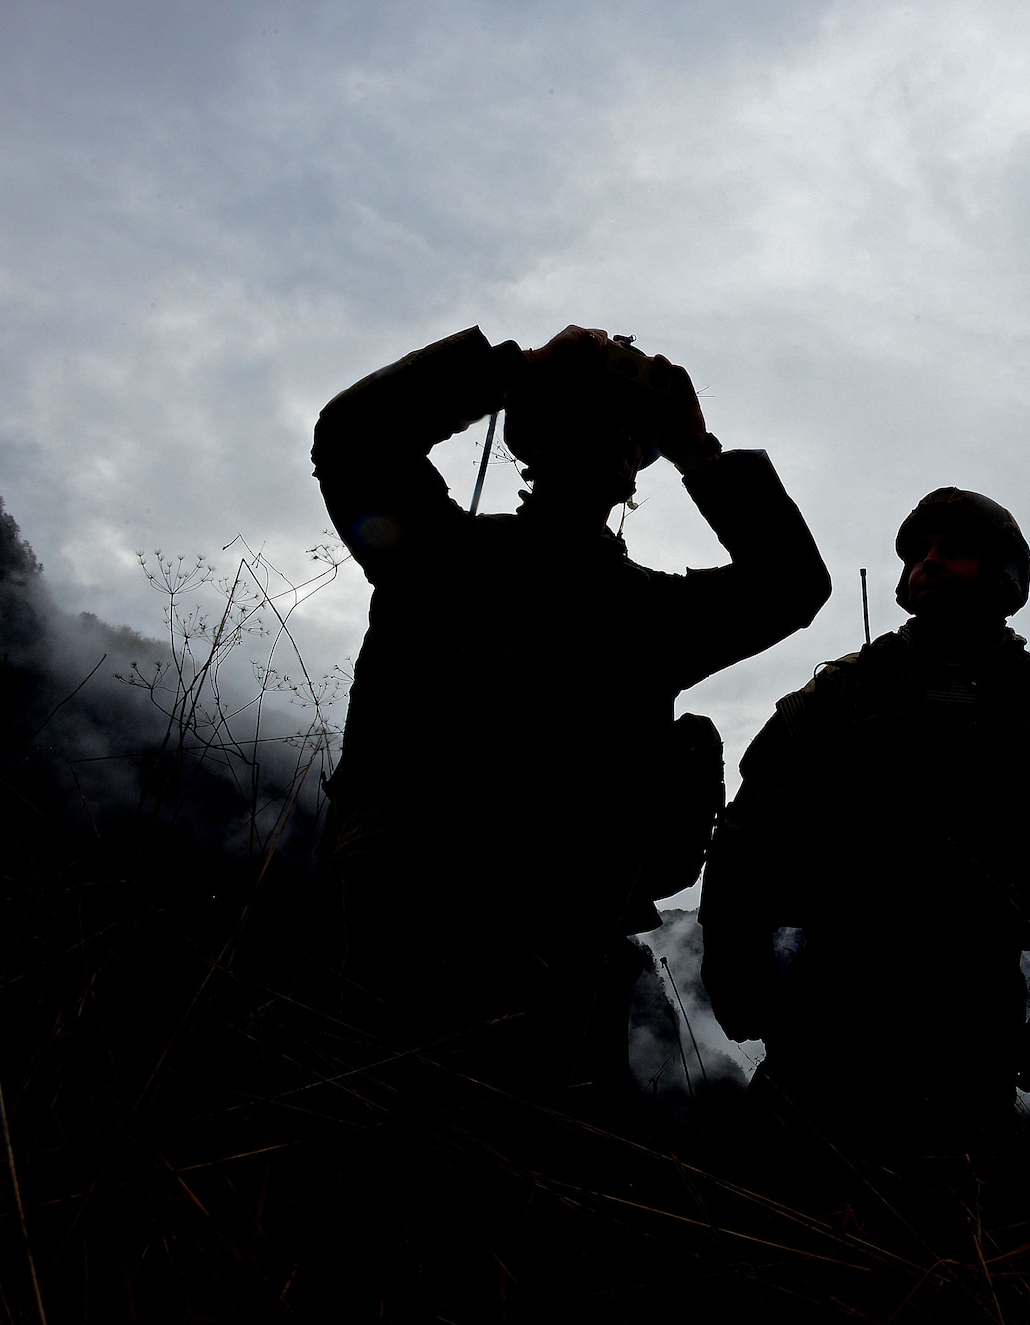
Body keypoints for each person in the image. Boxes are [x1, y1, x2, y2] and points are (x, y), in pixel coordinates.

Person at [279, 324, 829, 1313]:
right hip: (482, 946)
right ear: (633, 471)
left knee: (398, 1203)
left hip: (464, 942)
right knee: (496, 1213)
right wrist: (690, 447)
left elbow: (354, 437)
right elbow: (788, 586)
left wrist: (501, 373)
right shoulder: (625, 611)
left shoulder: (427, 555)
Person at [701, 488, 1030, 1175]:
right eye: (917, 553)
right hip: (831, 1002)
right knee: (785, 1206)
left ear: (1004, 577)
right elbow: (745, 837)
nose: (927, 563)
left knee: (947, 1229)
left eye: (952, 550)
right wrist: (734, 963)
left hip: (975, 1014)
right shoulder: (837, 696)